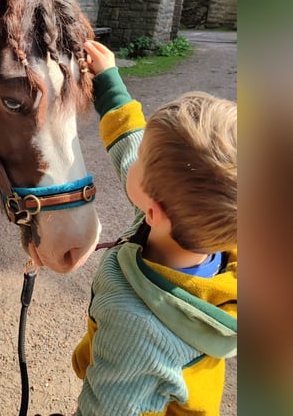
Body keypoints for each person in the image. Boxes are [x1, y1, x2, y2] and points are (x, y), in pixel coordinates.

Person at [71, 40, 237, 415]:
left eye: (142, 159)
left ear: (154, 209)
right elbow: (131, 144)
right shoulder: (200, 231)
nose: (136, 155)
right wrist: (108, 82)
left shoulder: (137, 326)